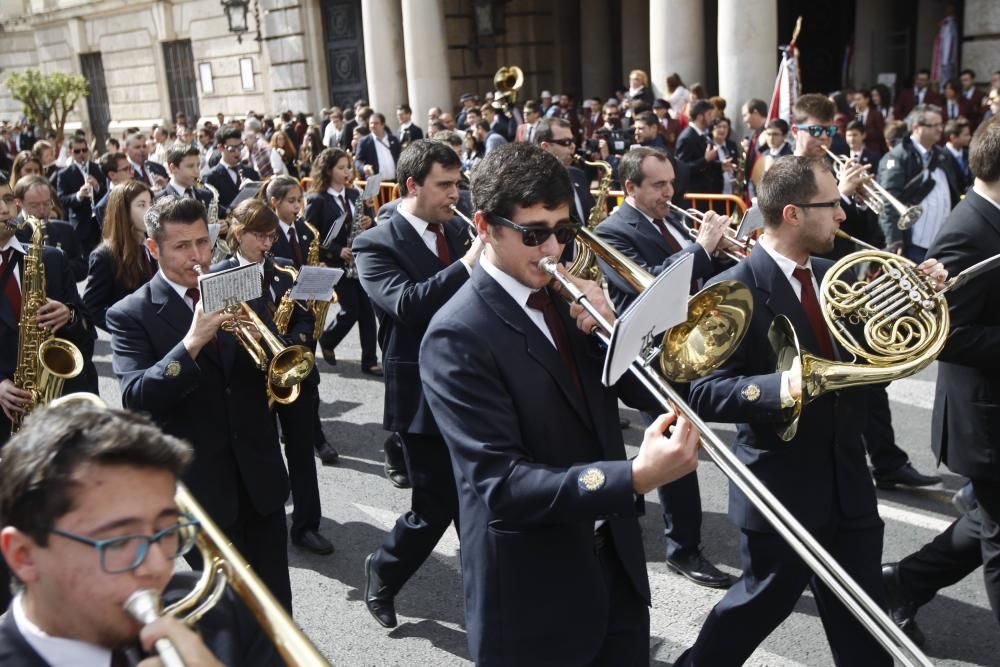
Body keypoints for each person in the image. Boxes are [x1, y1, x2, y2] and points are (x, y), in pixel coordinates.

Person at [420, 142, 701, 664]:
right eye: (534, 234)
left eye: (564, 232)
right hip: (533, 593)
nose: (552, 250)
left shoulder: (568, 298)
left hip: (613, 568)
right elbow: (501, 484)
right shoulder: (456, 335)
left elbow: (640, 392)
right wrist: (633, 478)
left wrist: (618, 332)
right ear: (485, 225)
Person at [676, 155, 947, 666]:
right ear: (794, 214)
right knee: (756, 609)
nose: (843, 215)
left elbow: (875, 359)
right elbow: (705, 392)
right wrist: (787, 386)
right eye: (832, 205)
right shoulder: (732, 288)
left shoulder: (829, 276)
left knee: (865, 626)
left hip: (849, 486)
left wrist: (917, 302)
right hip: (782, 491)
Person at [106, 196, 293, 611]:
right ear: (153, 249)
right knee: (228, 612)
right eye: (182, 246)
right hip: (202, 491)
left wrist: (282, 348)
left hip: (259, 476)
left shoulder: (232, 281)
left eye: (203, 243)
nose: (198, 257)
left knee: (278, 604)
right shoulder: (130, 314)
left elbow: (268, 363)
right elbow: (137, 398)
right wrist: (190, 343)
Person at [0, 399, 283, 666]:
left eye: (166, 530)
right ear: (24, 556)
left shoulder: (220, 614)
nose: (159, 567)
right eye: (119, 541)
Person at [355, 139, 483, 629]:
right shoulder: (376, 243)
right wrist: (470, 263)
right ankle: (383, 571)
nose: (456, 194)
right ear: (412, 185)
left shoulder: (455, 225)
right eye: (445, 185)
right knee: (433, 509)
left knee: (480, 501)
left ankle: (487, 601)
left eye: (458, 183)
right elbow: (408, 304)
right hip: (421, 396)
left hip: (474, 383)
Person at [595, 147, 735, 590]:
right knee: (679, 447)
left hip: (688, 347)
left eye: (670, 183)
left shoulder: (670, 219)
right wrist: (701, 248)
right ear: (630, 187)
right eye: (658, 185)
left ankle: (626, 493)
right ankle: (682, 549)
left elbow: (699, 278)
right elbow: (649, 283)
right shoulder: (608, 232)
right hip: (650, 358)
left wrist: (725, 252)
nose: (668, 192)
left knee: (677, 444)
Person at [792, 94, 940, 489]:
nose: (824, 138)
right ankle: (849, 464)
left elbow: (859, 235)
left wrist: (860, 201)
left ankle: (887, 461)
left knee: (871, 378)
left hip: (847, 288)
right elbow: (807, 236)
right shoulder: (783, 171)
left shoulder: (827, 168)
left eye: (830, 130)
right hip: (807, 289)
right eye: (816, 130)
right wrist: (839, 193)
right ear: (796, 130)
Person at [902, 115, 1000, 635]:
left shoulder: (990, 218)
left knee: (988, 522)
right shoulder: (968, 228)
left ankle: (903, 584)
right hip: (983, 421)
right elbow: (946, 334)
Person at [211, 198, 334, 556]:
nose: (268, 244)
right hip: (249, 383)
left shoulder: (284, 270)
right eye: (260, 237)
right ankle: (262, 521)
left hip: (291, 376)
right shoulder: (219, 276)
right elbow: (218, 333)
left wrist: (293, 343)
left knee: (300, 451)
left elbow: (306, 318)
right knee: (257, 455)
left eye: (271, 236)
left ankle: (307, 525)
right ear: (238, 233)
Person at [265, 175, 340, 466]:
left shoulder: (306, 232)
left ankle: (314, 434)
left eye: (300, 200)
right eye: (292, 201)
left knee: (310, 381)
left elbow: (308, 265)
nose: (298, 207)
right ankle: (313, 437)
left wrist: (318, 272)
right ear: (275, 202)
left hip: (305, 316)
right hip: (282, 317)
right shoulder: (267, 233)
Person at [305, 148, 381, 375]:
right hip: (335, 263)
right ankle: (327, 339)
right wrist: (338, 251)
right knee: (351, 310)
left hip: (358, 261)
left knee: (367, 311)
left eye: (348, 166)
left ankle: (370, 360)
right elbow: (311, 236)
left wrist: (370, 222)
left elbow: (370, 225)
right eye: (341, 168)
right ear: (328, 171)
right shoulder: (317, 200)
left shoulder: (356, 195)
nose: (347, 171)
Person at [877, 104, 962, 263]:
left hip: (940, 244)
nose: (940, 129)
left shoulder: (941, 155)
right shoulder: (898, 156)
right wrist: (894, 241)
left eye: (940, 124)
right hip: (912, 246)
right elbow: (889, 202)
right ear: (916, 127)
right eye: (934, 125)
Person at [83, 180, 156, 332]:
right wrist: (125, 330)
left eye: (151, 204)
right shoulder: (104, 256)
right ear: (123, 211)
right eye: (142, 205)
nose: (150, 210)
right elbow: (92, 308)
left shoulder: (155, 245)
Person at [13, 174, 87, 283]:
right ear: (19, 202)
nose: (42, 211)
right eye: (34, 205)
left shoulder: (66, 230)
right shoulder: (12, 234)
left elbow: (82, 270)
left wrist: (58, 261)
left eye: (47, 203)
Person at [533, 118, 595, 229]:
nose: (573, 146)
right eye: (566, 142)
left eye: (572, 141)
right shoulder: (534, 184)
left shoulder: (578, 175)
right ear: (545, 147)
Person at [53, 135, 105, 256]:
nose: (81, 154)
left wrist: (97, 187)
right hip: (80, 224)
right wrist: (78, 196)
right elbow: (61, 199)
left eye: (84, 150)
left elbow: (107, 192)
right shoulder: (64, 174)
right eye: (77, 151)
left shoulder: (97, 168)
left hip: (98, 224)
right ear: (71, 152)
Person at [206, 125, 260, 216]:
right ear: (220, 148)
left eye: (240, 147)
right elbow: (212, 207)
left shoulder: (250, 171)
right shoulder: (211, 177)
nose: (237, 152)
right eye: (231, 149)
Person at [675, 100, 723, 200]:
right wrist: (705, 160)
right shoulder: (687, 137)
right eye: (709, 114)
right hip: (696, 195)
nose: (712, 118)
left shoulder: (702, 134)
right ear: (700, 116)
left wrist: (721, 165)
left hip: (707, 193)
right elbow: (682, 168)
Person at [94, 151, 135, 227]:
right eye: (126, 169)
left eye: (131, 167)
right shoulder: (103, 206)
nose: (132, 172)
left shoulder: (140, 191)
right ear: (112, 175)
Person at [355, 113, 401, 180]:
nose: (373, 126)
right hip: (376, 183)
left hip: (394, 183)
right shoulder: (364, 142)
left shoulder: (393, 139)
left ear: (382, 124)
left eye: (376, 123)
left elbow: (400, 157)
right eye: (371, 123)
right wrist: (364, 167)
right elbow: (358, 161)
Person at [942, 117, 973, 191]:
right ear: (953, 138)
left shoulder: (969, 154)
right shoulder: (941, 158)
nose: (969, 137)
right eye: (966, 135)